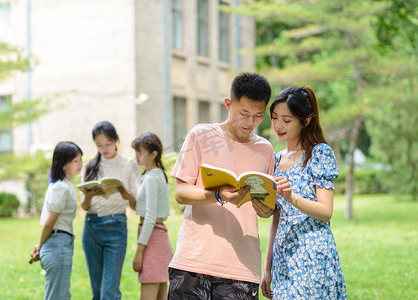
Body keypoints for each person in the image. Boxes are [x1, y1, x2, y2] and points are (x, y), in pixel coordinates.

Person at [169, 72, 275, 299]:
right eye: (243, 113)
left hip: (241, 267)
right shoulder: (201, 135)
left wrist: (265, 210)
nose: (250, 122)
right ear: (228, 104)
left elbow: (267, 208)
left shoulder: (265, 149)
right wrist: (219, 195)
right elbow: (180, 192)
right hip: (194, 261)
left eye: (258, 116)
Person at [261, 86, 347, 299]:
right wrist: (266, 267)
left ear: (306, 121)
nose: (278, 126)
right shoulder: (275, 158)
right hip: (283, 257)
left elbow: (326, 211)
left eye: (287, 120)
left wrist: (292, 198)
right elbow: (277, 218)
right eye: (274, 118)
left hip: (312, 253)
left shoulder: (319, 153)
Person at [80, 121, 140, 300]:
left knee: (110, 292)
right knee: (97, 293)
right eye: (99, 145)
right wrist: (90, 195)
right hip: (91, 226)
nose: (104, 149)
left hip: (116, 226)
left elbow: (136, 206)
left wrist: (126, 195)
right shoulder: (89, 166)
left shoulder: (129, 164)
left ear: (116, 141)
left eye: (108, 144)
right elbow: (84, 206)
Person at [29, 141, 83, 300]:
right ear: (64, 164)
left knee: (60, 295)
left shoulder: (64, 185)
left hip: (59, 244)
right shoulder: (61, 187)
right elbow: (49, 223)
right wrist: (41, 245)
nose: (80, 164)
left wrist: (42, 246)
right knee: (58, 296)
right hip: (58, 245)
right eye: (75, 161)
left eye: (80, 159)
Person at [131, 132, 173, 300]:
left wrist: (139, 251)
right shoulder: (158, 175)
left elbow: (149, 216)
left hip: (152, 238)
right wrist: (129, 198)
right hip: (159, 236)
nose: (137, 157)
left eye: (140, 152)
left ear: (153, 154)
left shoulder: (151, 178)